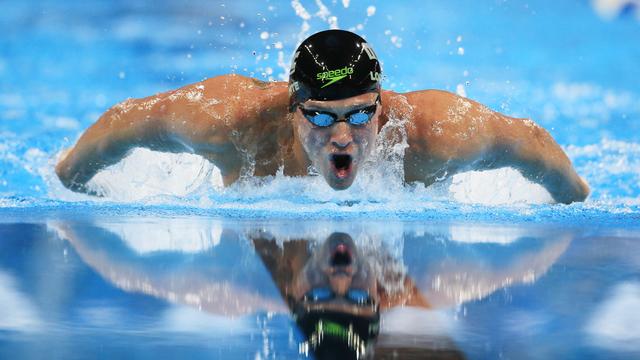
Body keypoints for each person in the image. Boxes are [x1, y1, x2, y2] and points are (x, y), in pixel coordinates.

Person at [55, 29, 589, 204]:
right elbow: (122, 122)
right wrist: (70, 186)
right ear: (292, 108)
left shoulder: (437, 133)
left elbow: (532, 143)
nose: (342, 138)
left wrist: (577, 204)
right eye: (321, 117)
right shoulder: (228, 121)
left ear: (381, 107)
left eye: (359, 117)